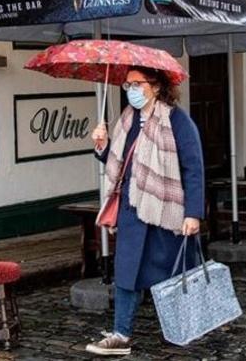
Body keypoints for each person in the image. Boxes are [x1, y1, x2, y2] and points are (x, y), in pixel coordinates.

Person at [85, 66, 204, 357]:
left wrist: (193, 213)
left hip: (165, 210)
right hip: (132, 209)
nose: (131, 90)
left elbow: (193, 168)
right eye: (128, 85)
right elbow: (122, 162)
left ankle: (182, 326)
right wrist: (102, 147)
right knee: (126, 273)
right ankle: (121, 335)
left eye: (137, 84)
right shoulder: (127, 120)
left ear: (156, 86)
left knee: (172, 274)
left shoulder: (178, 120)